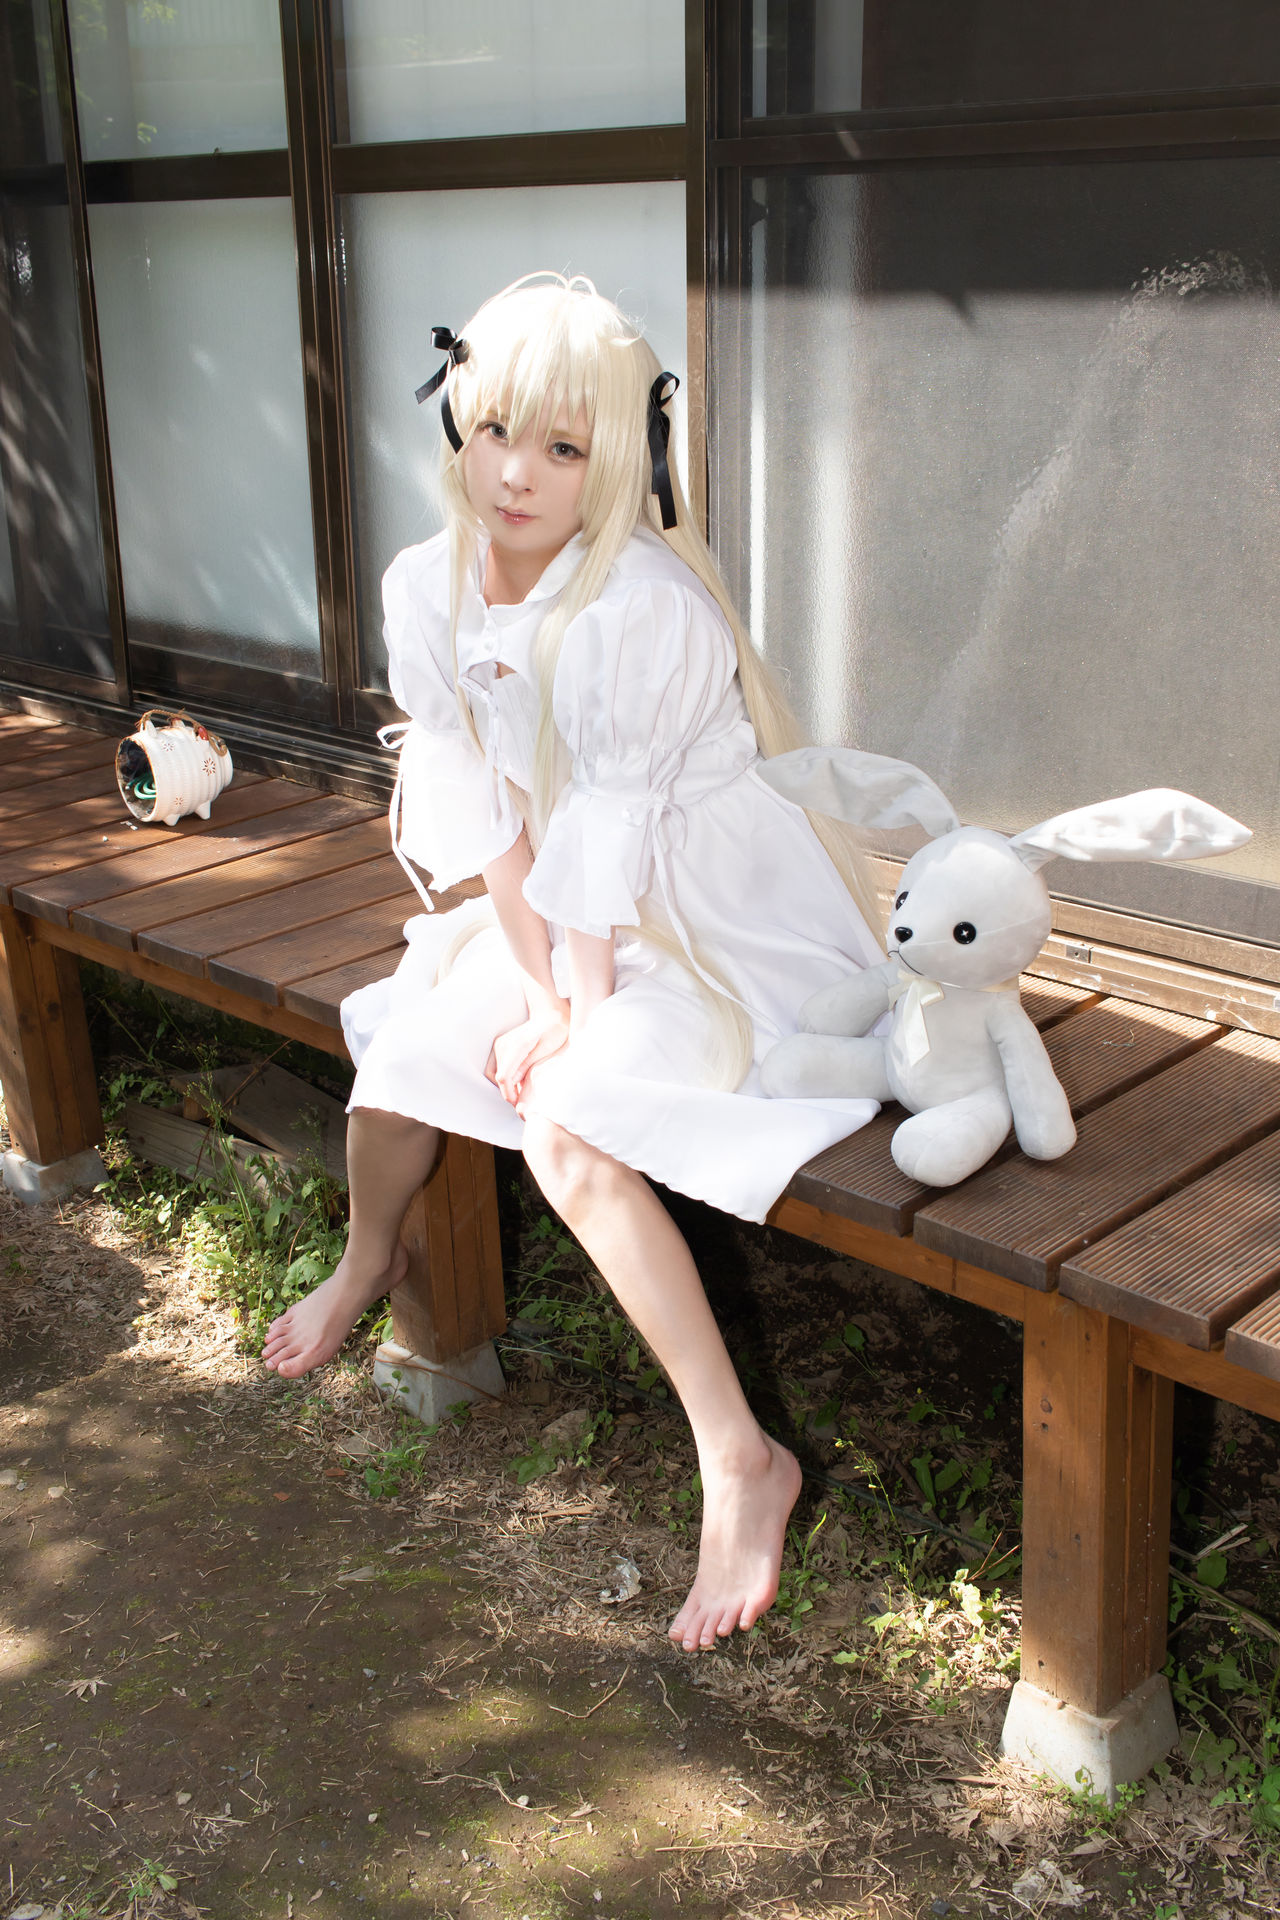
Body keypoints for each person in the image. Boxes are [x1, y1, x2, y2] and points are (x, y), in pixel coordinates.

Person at [262, 274, 886, 1651]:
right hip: (566, 907)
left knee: (568, 1122)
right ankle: (369, 1256)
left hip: (714, 927)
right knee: (412, 1049)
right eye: (494, 431)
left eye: (562, 447)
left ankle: (740, 1454)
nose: (515, 475)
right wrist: (541, 985)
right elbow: (486, 805)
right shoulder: (431, 581)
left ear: (617, 457)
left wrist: (574, 1018)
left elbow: (612, 830)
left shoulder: (642, 604)